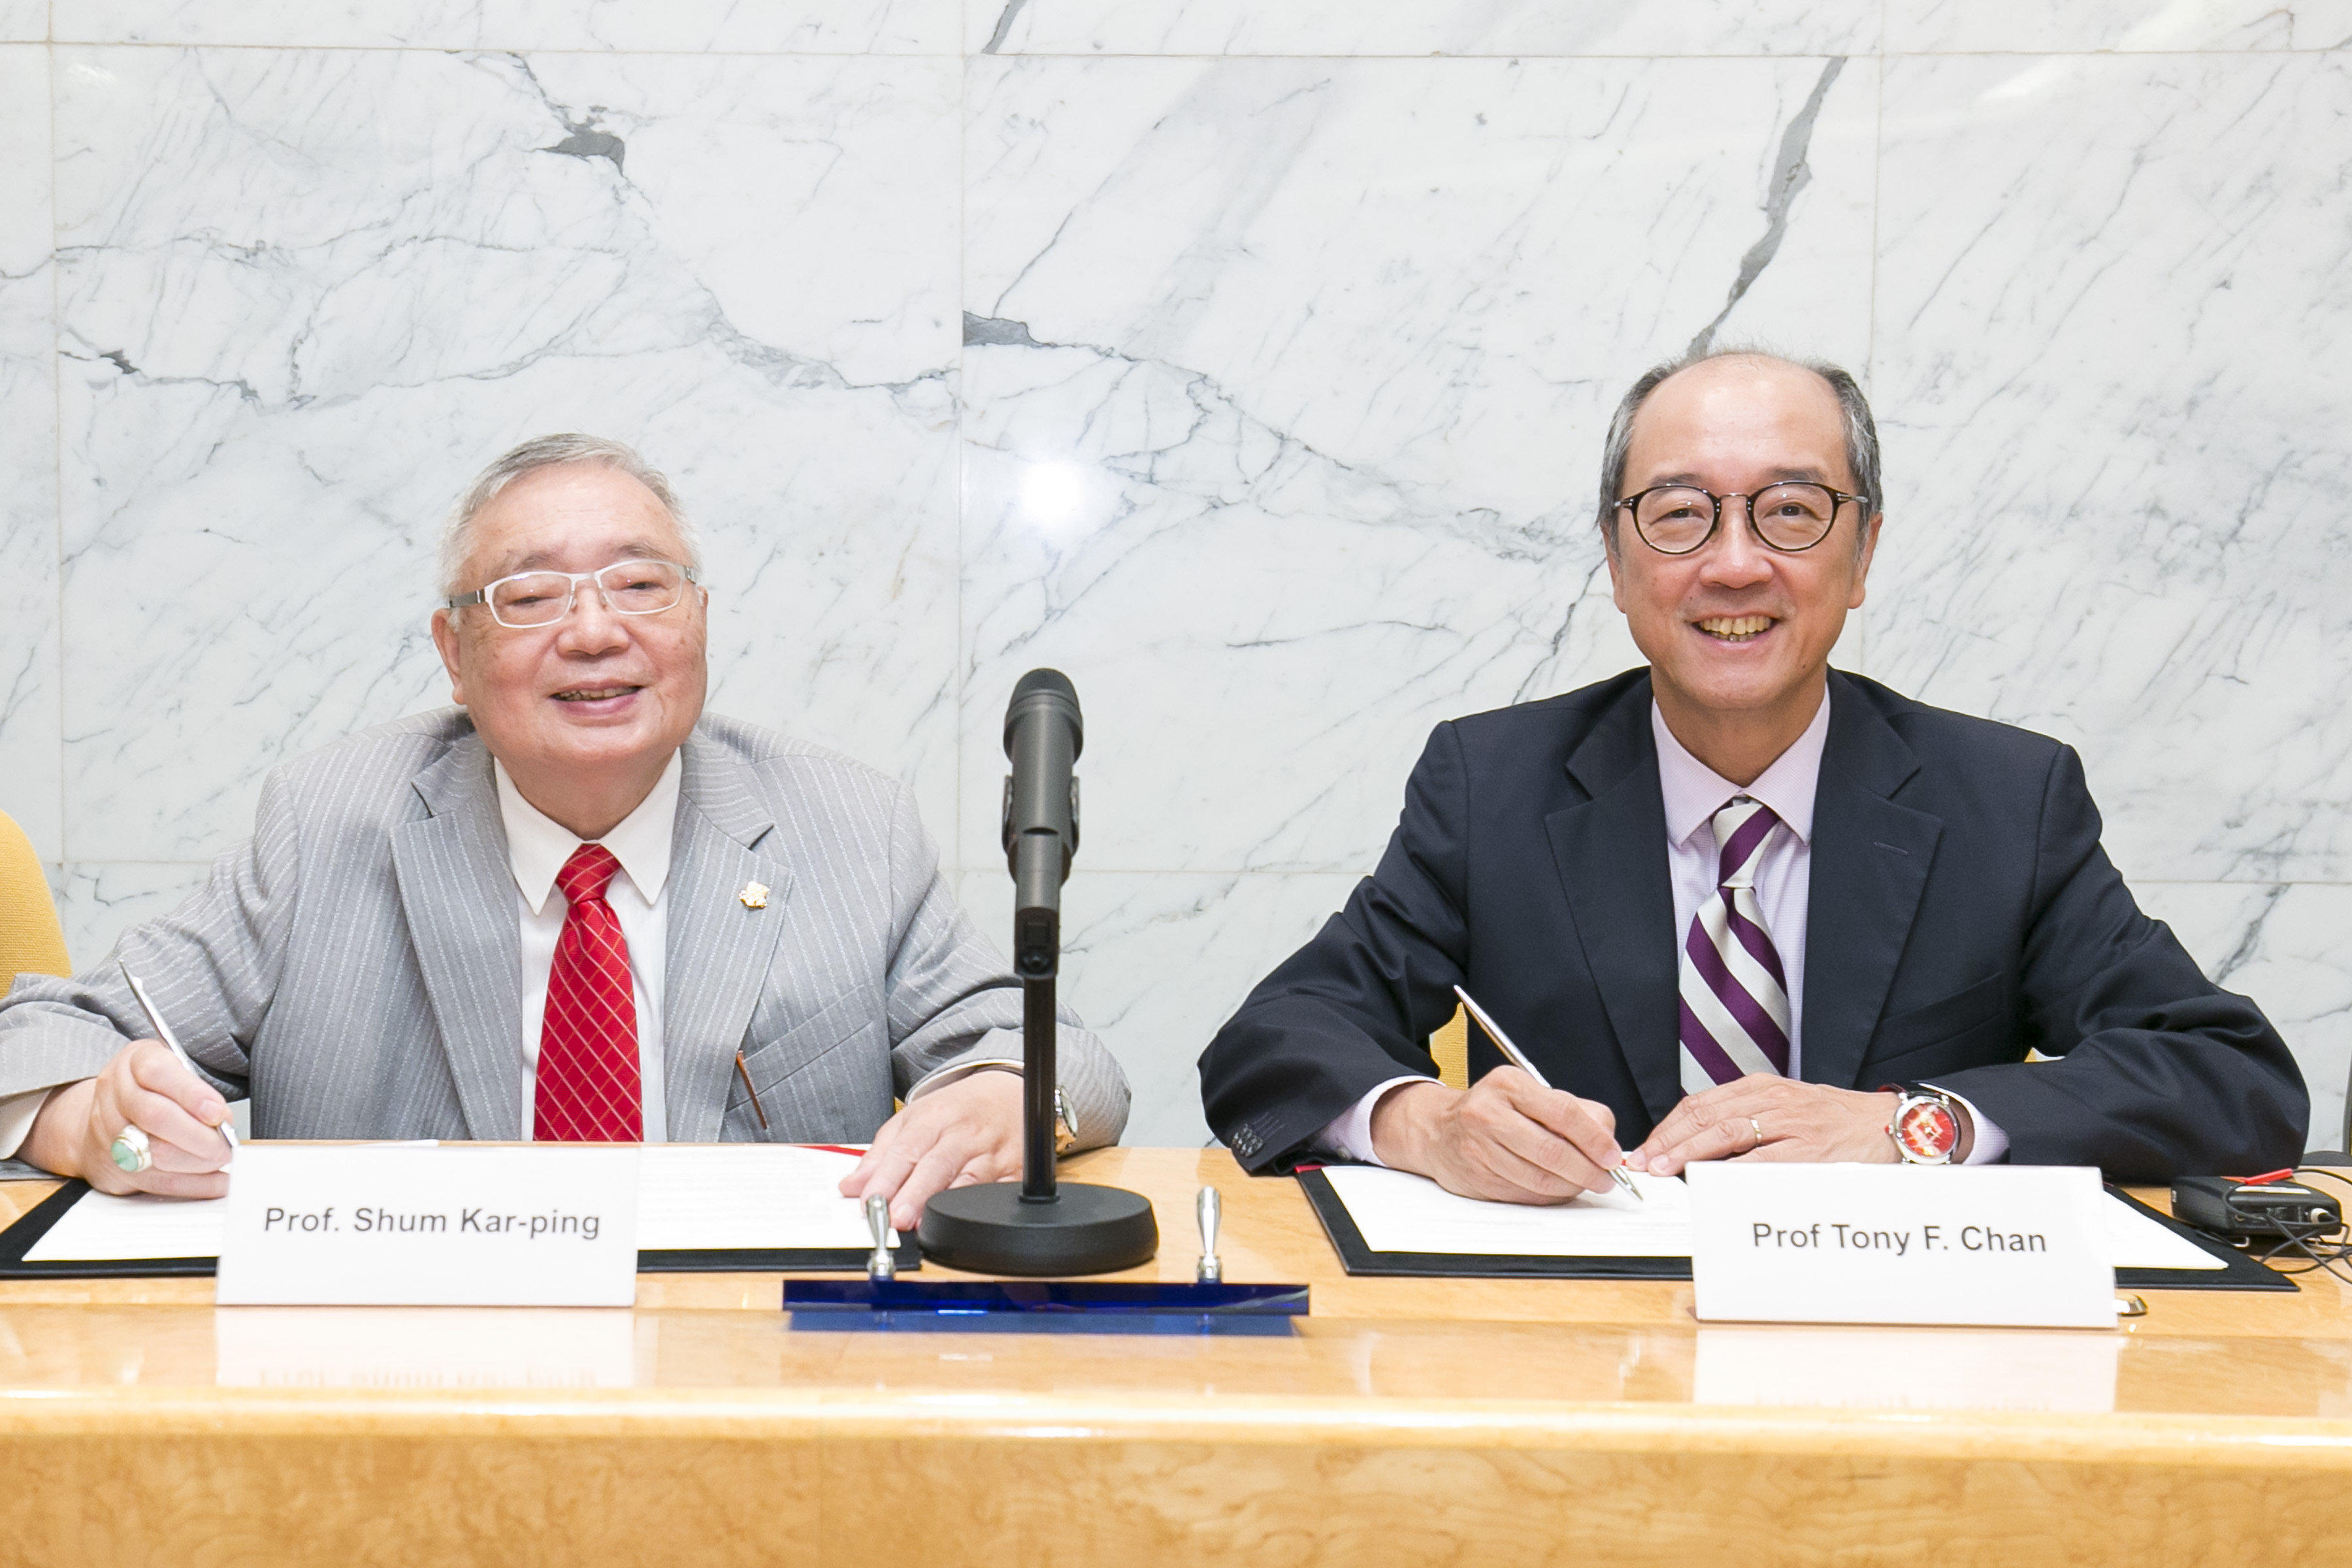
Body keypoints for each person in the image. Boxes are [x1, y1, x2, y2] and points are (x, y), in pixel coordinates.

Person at [1199, 350, 2305, 1199]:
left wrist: (1914, 1128)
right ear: (1619, 564)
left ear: (1863, 553)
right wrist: (1425, 1127)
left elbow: (2231, 1079)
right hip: (1576, 1357)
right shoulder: (1495, 784)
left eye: (1790, 510)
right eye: (1681, 515)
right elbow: (1275, 1042)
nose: (1735, 564)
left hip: (1903, 1360)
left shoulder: (2005, 801)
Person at [0, 434, 1128, 1226]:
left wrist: (1002, 1099)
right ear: (453, 654)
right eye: (530, 598)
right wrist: (87, 1119)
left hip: (744, 1375)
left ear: (698, 625)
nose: (595, 634)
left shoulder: (845, 826)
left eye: (642, 585)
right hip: (409, 1380)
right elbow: (34, 1037)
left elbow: (1066, 1057)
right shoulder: (331, 825)